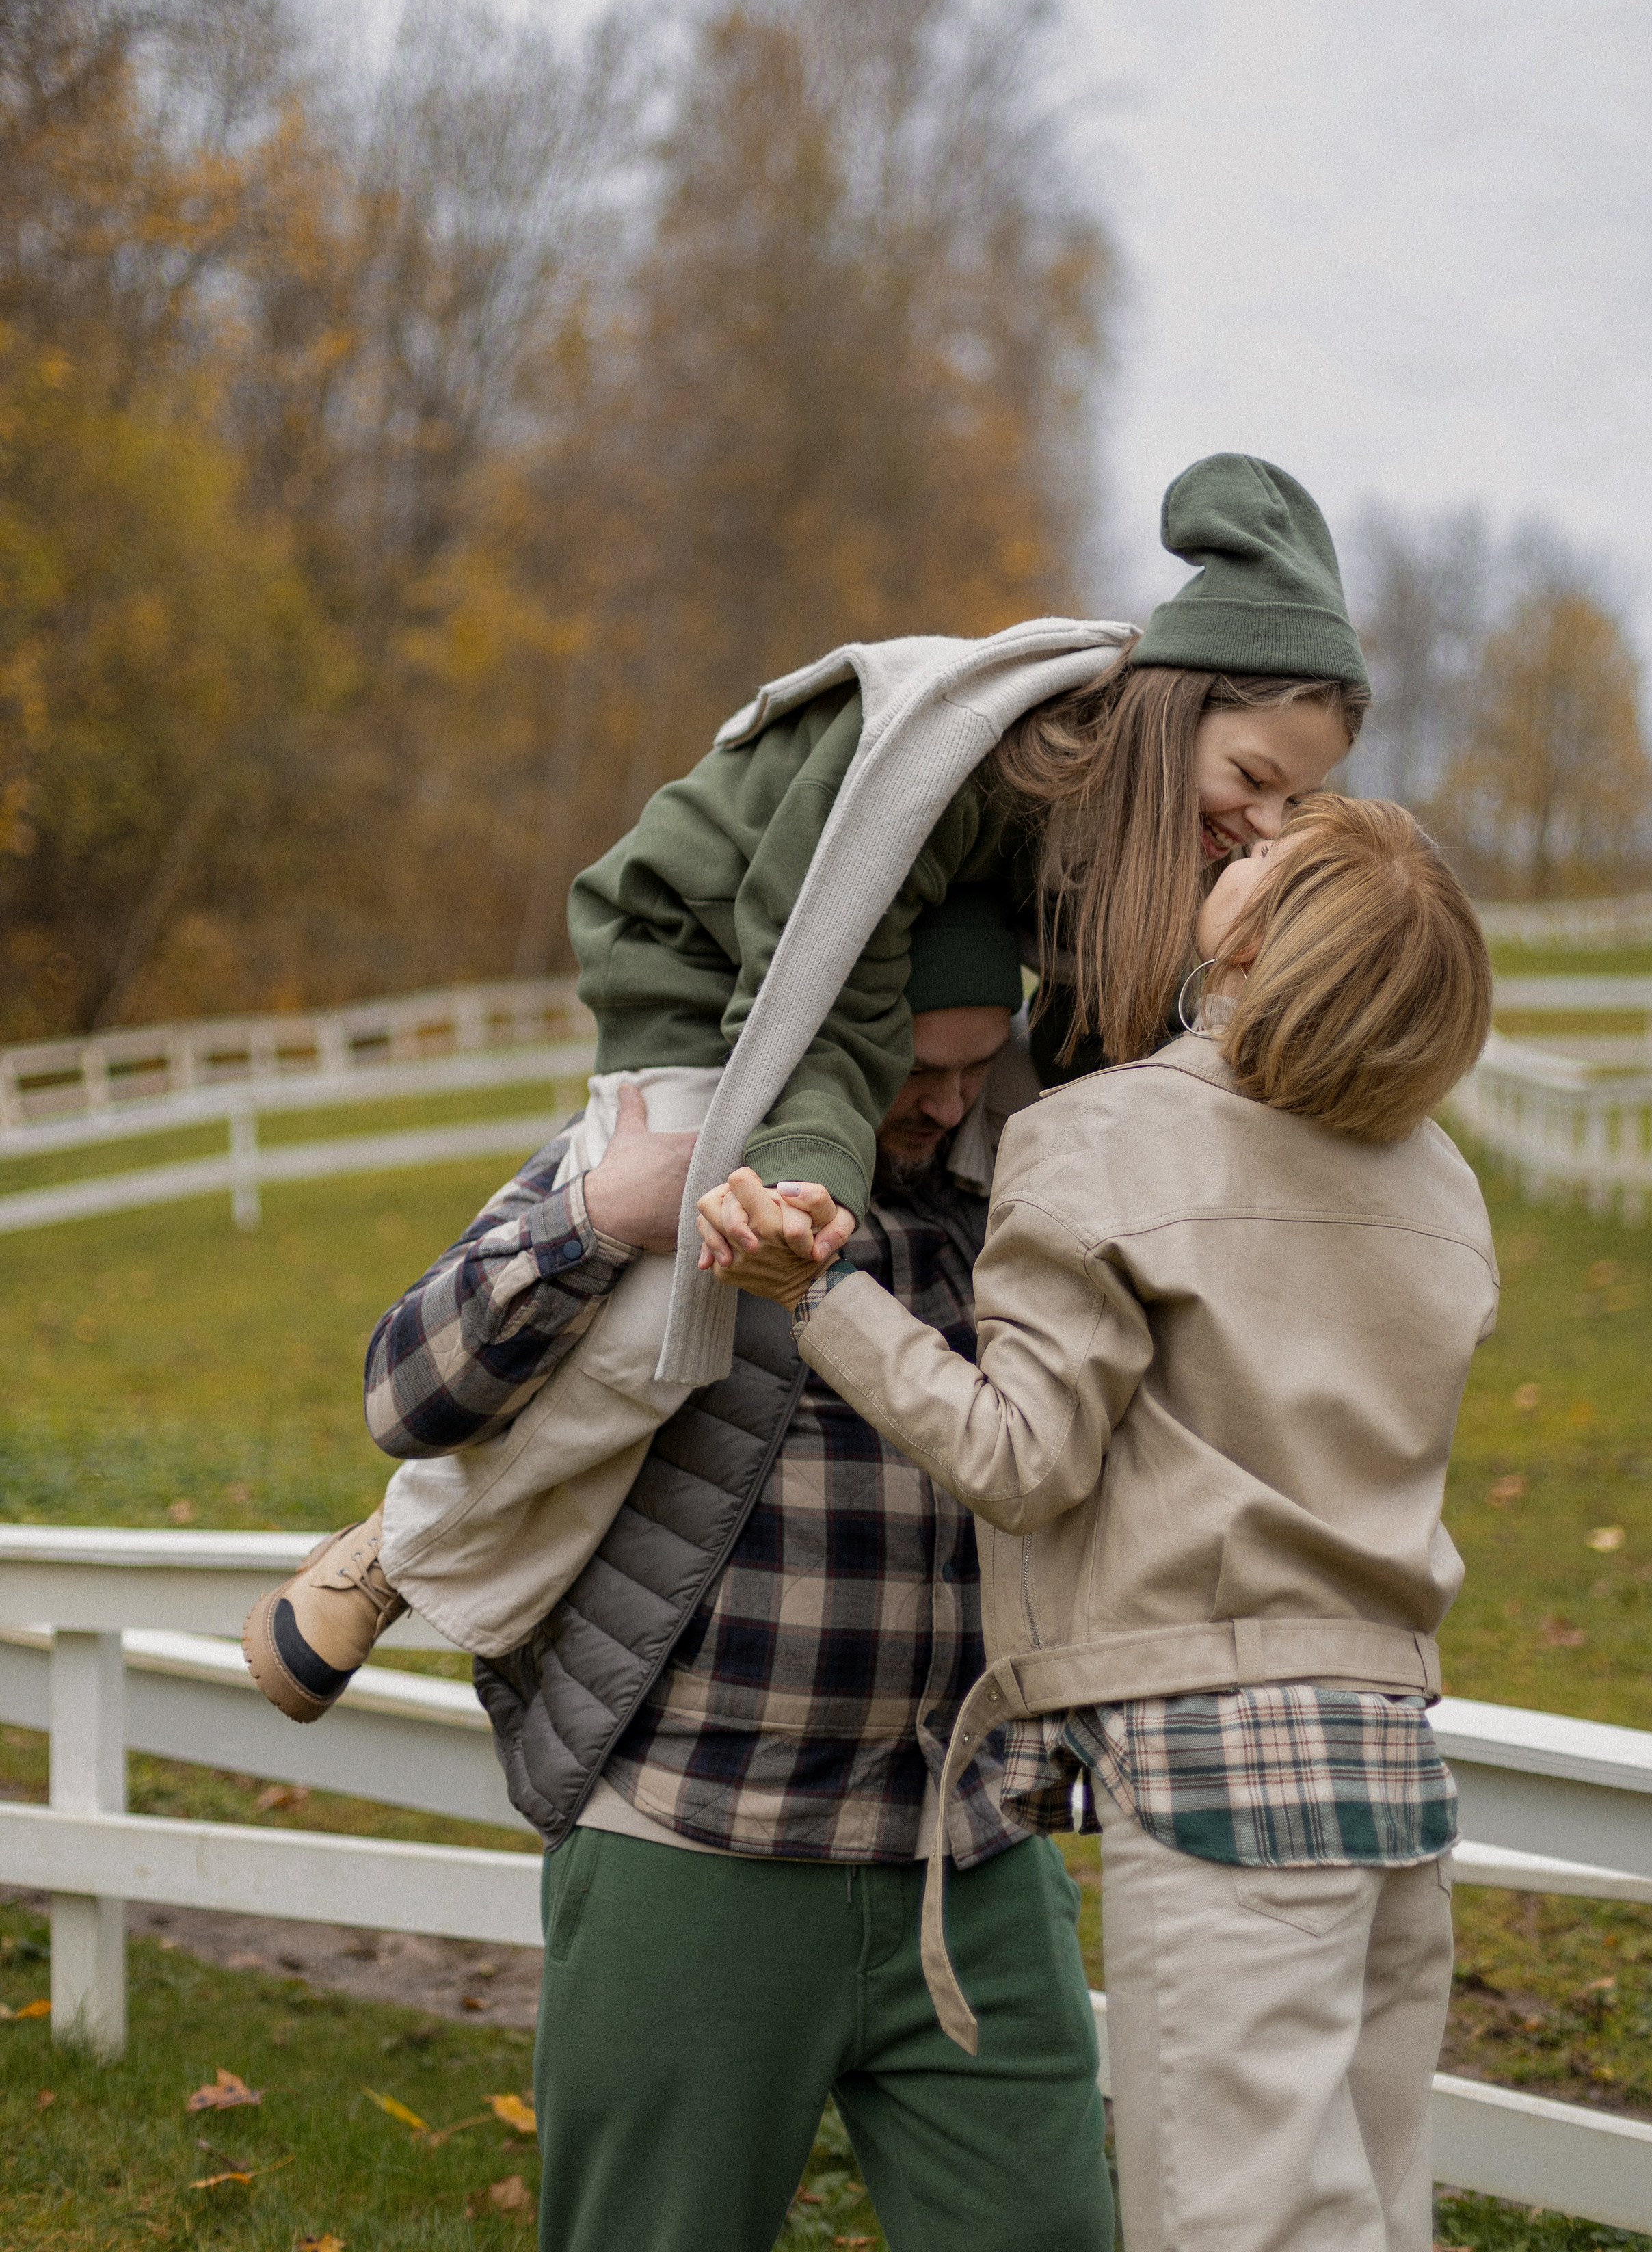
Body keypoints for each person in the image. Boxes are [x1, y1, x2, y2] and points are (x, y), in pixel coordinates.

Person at [244, 450, 1372, 1719]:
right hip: (711, 953)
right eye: (1256, 779)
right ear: (1174, 710)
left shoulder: (1130, 833)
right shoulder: (963, 759)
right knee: (672, 1292)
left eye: (1300, 797)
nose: (1266, 820)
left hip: (903, 981)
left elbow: (1095, 1040)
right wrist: (803, 1192)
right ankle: (393, 1556)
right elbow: (818, 996)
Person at [712, 795, 1497, 2252]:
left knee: (1236, 2227)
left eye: (1259, 860)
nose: (1233, 844)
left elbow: (1018, 1459)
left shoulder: (1104, 1133)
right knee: (1375, 2207)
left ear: (1263, 941)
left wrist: (819, 1297)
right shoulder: (1440, 1182)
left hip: (1216, 1756)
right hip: (1392, 1752)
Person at [327, 907, 1118, 2252]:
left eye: (978, 1065)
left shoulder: (1014, 1203)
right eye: (914, 1069)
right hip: (695, 1837)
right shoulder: (684, 1160)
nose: (946, 1102)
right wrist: (593, 1221)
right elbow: (405, 1391)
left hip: (970, 1860)